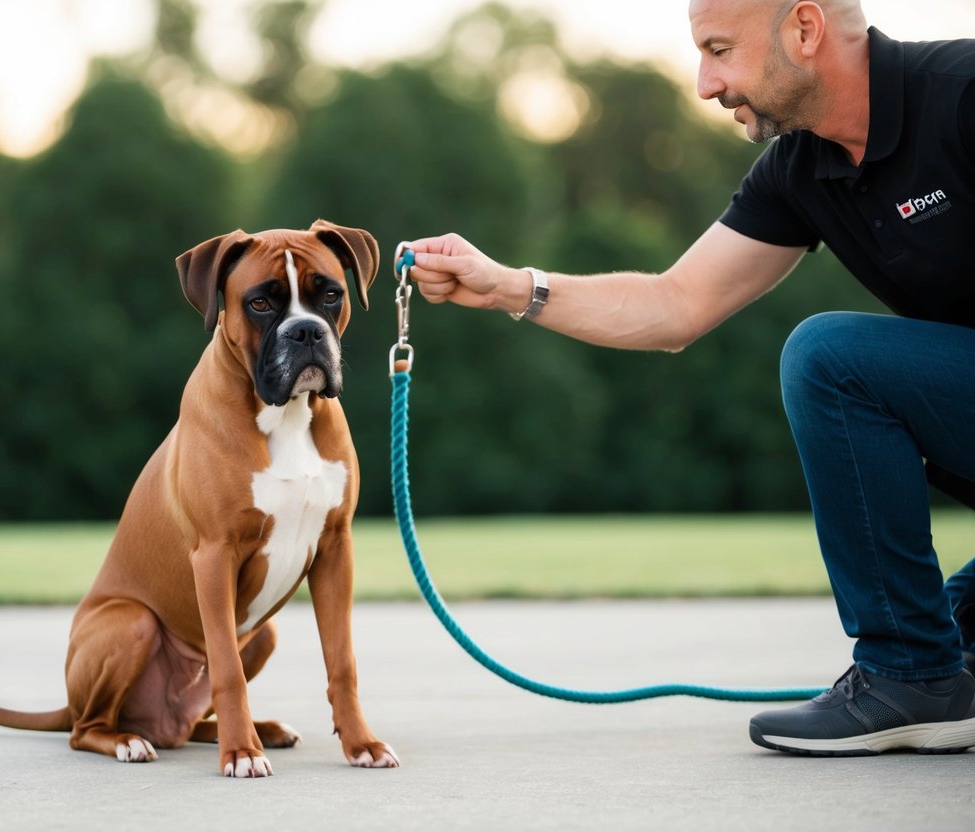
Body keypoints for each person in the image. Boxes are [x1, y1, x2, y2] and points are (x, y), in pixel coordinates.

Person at [401, 0, 975, 756]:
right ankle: (930, 669)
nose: (705, 84)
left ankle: (909, 676)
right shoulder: (801, 171)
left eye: (719, 50)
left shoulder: (961, 91)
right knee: (955, 631)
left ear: (803, 31)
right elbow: (675, 305)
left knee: (830, 358)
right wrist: (512, 286)